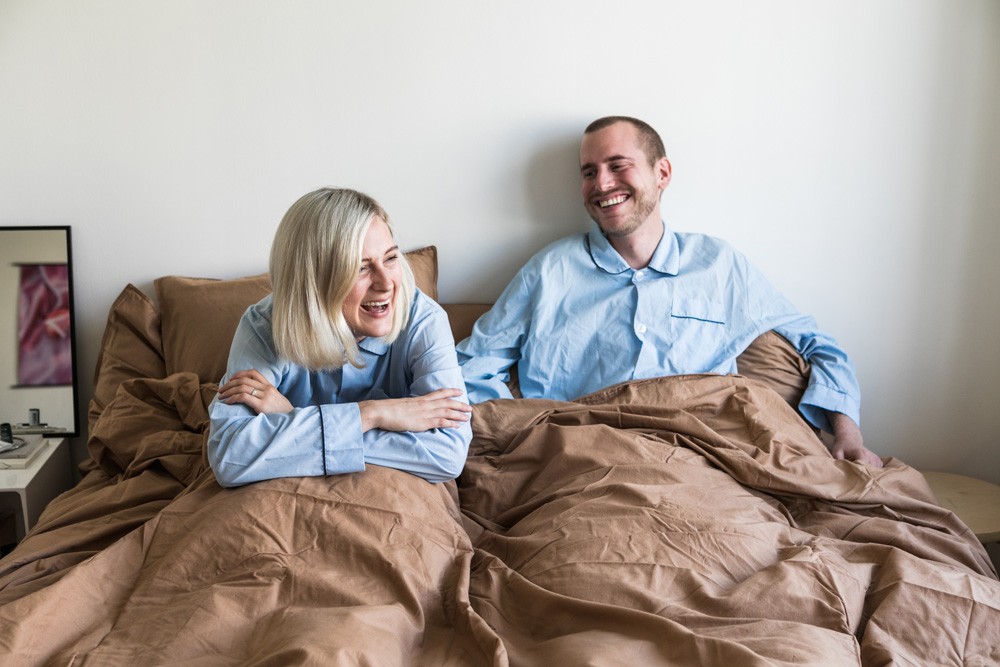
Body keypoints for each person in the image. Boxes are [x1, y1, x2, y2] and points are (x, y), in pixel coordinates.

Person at [456, 116, 882, 468]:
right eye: (589, 172)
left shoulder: (720, 265)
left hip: (703, 461)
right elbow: (472, 368)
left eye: (618, 166)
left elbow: (817, 346)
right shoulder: (549, 271)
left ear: (662, 173)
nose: (601, 183)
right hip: (583, 462)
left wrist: (848, 435)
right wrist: (532, 437)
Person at [207, 187, 473, 487]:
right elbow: (229, 455)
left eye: (390, 258)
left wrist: (293, 416)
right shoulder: (263, 326)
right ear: (314, 280)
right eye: (361, 268)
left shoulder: (424, 320)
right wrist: (371, 414)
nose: (386, 284)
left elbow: (447, 453)